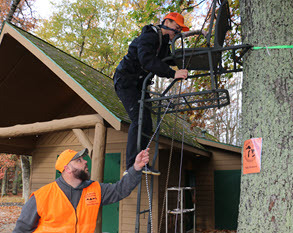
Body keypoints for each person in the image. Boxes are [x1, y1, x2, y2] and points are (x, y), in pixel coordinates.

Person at [113, 12, 189, 176]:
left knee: (146, 123)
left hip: (140, 85)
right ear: (166, 22)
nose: (176, 33)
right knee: (138, 119)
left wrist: (193, 57)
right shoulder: (150, 36)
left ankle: (140, 162)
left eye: (179, 31)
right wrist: (172, 73)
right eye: (175, 29)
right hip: (126, 81)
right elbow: (146, 59)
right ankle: (131, 165)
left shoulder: (163, 44)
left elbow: (170, 59)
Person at [13, 147, 149, 233]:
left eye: (83, 159)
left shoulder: (95, 189)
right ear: (67, 169)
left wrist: (136, 167)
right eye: (79, 160)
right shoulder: (41, 196)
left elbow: (121, 190)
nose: (85, 162)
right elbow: (21, 230)